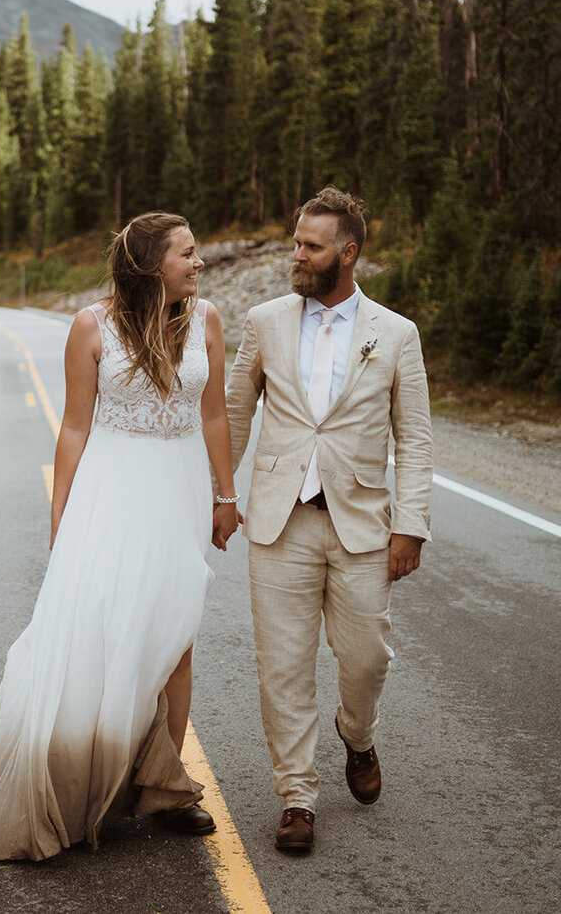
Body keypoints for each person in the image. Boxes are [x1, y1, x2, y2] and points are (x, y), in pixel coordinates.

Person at [0, 212, 242, 861]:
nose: (200, 264)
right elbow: (75, 428)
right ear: (151, 265)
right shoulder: (93, 326)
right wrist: (61, 511)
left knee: (175, 637)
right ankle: (89, 765)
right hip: (110, 491)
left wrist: (226, 494)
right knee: (102, 628)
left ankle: (169, 789)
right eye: (188, 254)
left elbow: (215, 412)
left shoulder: (209, 320)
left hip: (179, 490)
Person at [226, 186, 432, 855]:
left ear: (347, 253)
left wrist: (412, 524)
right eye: (296, 241)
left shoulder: (396, 334)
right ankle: (297, 796)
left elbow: (416, 437)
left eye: (310, 245)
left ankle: (358, 733)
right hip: (279, 521)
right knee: (282, 665)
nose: (297, 254)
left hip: (362, 523)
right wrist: (218, 493)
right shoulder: (264, 320)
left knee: (366, 656)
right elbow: (231, 413)